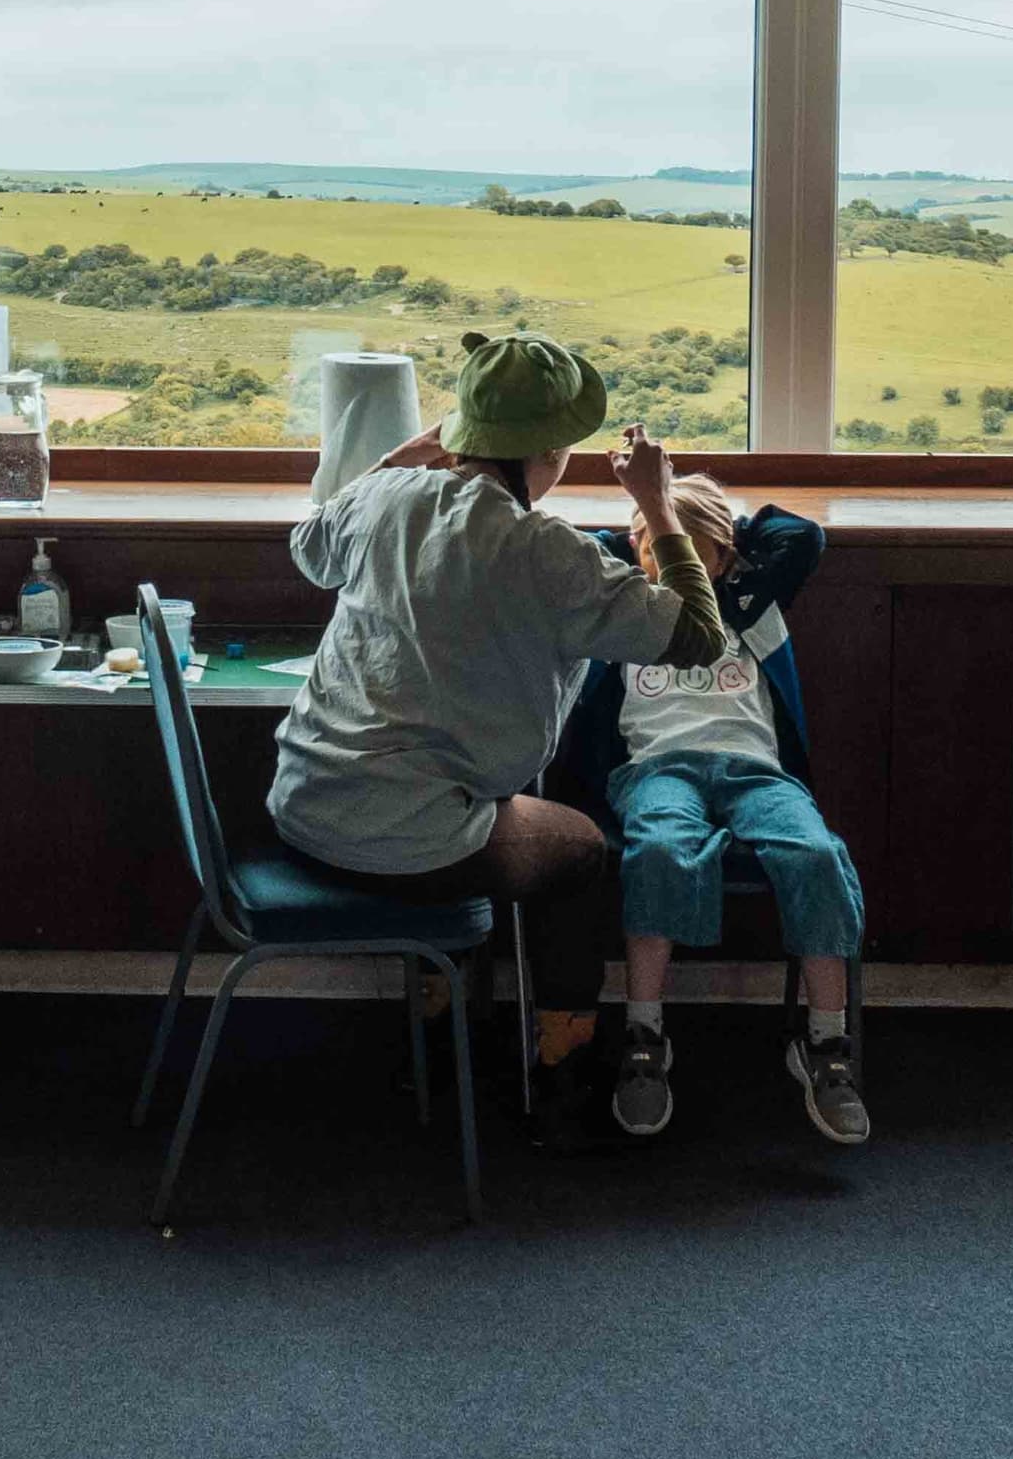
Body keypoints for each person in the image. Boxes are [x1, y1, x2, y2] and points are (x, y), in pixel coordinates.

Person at [269, 329, 729, 1153]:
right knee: (581, 852)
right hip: (403, 839)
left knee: (455, 811)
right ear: (550, 453)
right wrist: (658, 505)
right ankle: (561, 1068)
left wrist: (396, 460)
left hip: (301, 806)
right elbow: (698, 635)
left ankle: (438, 1035)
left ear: (461, 438)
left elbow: (309, 547)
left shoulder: (387, 499)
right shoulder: (548, 552)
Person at [548, 477, 868, 1147]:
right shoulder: (624, 612)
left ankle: (826, 1043)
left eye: (684, 553)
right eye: (649, 551)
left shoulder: (747, 606)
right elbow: (576, 547)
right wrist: (648, 517)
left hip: (757, 772)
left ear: (723, 556)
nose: (665, 567)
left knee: (814, 855)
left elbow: (801, 536)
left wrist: (699, 529)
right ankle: (645, 1033)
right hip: (657, 770)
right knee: (660, 852)